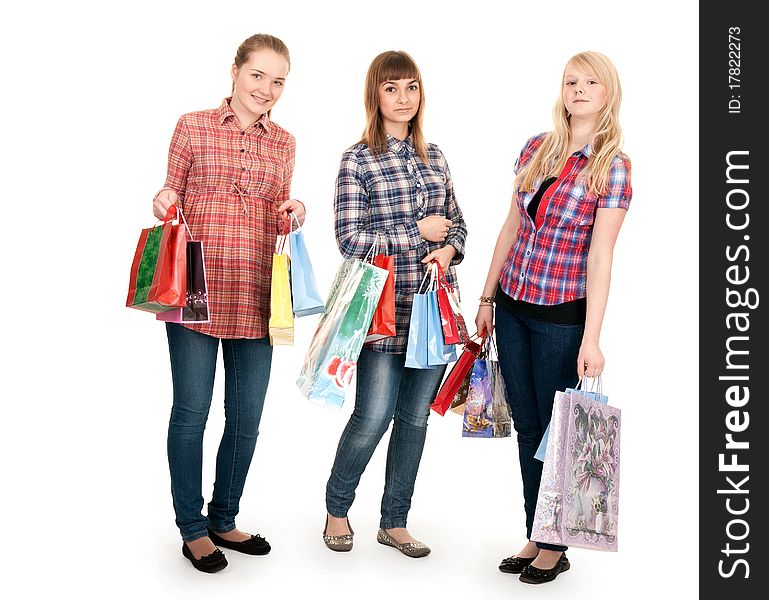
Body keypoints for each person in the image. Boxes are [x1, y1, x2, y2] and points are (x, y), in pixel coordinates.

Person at [474, 51, 631, 584]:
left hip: (562, 321)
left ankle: (555, 544)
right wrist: (487, 297)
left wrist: (593, 337)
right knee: (527, 427)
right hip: (514, 309)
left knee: (557, 433)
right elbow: (511, 228)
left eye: (591, 82)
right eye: (571, 81)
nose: (579, 89)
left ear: (607, 93)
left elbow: (601, 255)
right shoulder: (536, 148)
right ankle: (538, 532)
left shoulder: (613, 166)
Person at [152, 33, 305, 573]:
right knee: (191, 413)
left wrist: (295, 208)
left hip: (258, 292)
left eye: (278, 81)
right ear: (236, 70)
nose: (267, 89)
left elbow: (280, 206)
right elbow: (169, 192)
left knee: (246, 419)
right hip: (195, 287)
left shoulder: (284, 141)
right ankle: (192, 529)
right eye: (258, 75)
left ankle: (224, 517)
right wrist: (165, 197)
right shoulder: (192, 125)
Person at [322, 50, 467, 558]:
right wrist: (416, 235)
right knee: (373, 416)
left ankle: (394, 521)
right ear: (375, 95)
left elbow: (458, 225)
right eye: (391, 88)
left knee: (415, 420)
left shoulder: (436, 157)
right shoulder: (357, 158)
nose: (403, 98)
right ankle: (337, 509)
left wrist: (449, 248)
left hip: (431, 311)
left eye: (411, 87)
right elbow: (349, 239)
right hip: (381, 314)